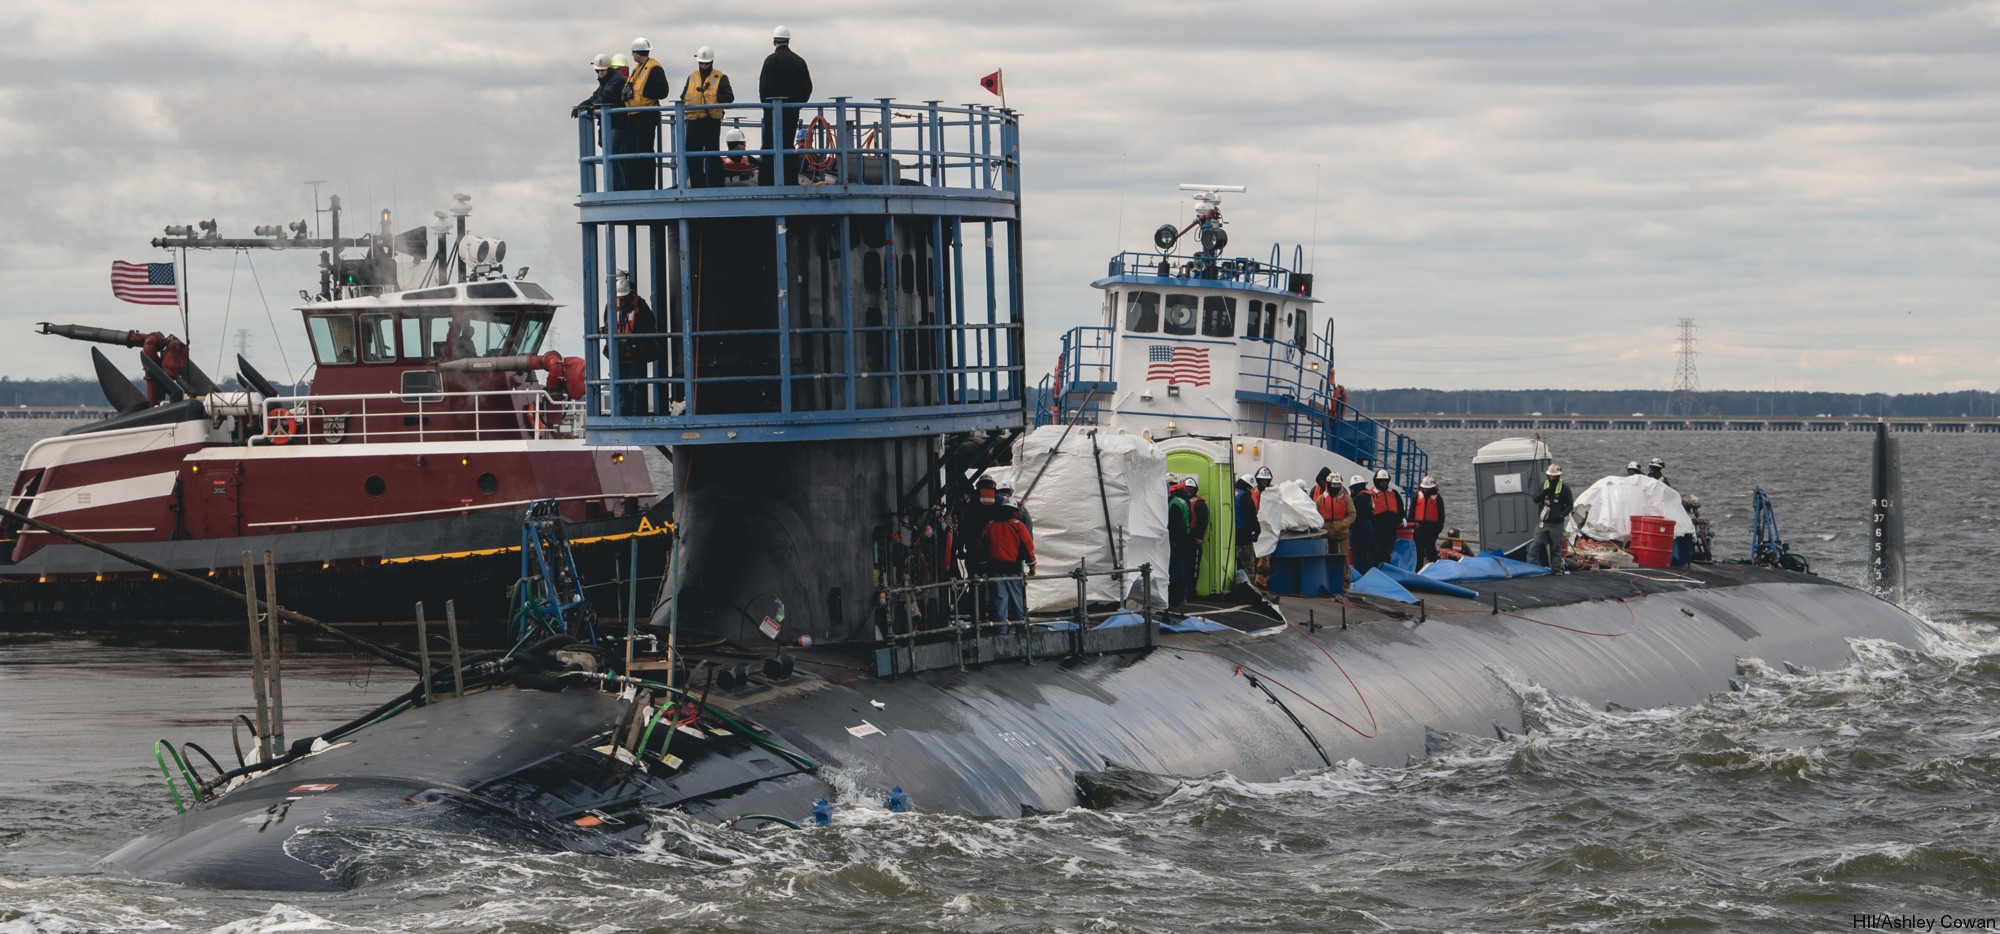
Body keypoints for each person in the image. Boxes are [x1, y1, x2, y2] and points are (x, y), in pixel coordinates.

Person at [758, 25, 812, 186]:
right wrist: (797, 105)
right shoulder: (799, 61)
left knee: (769, 146)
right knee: (788, 145)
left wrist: (767, 107)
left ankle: (766, 182)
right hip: (791, 111)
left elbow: (763, 88)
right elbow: (808, 87)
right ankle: (790, 181)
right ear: (788, 41)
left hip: (772, 111)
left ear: (774, 41)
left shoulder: (769, 61)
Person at [680, 46, 735, 188]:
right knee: (692, 156)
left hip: (711, 121)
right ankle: (698, 185)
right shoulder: (692, 78)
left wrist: (714, 98)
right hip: (693, 121)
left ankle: (715, 185)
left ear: (712, 62)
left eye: (707, 63)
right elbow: (683, 96)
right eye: (701, 63)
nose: (704, 66)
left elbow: (729, 97)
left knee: (712, 155)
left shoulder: (720, 77)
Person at [606, 272, 660, 415]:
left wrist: (636, 348)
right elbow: (608, 325)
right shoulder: (611, 306)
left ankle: (637, 413)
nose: (622, 301)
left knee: (637, 386)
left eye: (624, 298)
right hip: (619, 354)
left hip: (637, 355)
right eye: (620, 298)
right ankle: (621, 413)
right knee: (620, 386)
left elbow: (649, 328)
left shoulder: (640, 306)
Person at [620, 38, 670, 191]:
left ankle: (647, 186)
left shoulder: (654, 68)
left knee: (644, 151)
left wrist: (647, 93)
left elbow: (663, 91)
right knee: (632, 152)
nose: (632, 55)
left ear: (638, 52)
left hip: (646, 115)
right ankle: (634, 186)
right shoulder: (638, 68)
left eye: (633, 52)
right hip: (633, 115)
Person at [574, 54, 630, 186]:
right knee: (613, 156)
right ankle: (619, 187)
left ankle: (621, 188)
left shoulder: (616, 80)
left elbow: (606, 97)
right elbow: (596, 97)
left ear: (608, 69)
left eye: (601, 70)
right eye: (597, 70)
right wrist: (581, 106)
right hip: (612, 123)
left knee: (612, 156)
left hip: (618, 123)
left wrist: (592, 107)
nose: (599, 73)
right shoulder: (607, 81)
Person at [977, 498, 1034, 624]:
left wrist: (982, 564)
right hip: (1013, 569)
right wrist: (1032, 564)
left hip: (995, 570)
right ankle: (1021, 628)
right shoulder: (1018, 526)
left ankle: (1001, 630)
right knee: (1017, 599)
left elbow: (981, 546)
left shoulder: (990, 526)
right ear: (1015, 511)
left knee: (999, 600)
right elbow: (1028, 545)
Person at [1313, 468, 1356, 583]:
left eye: (1338, 484)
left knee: (1343, 560)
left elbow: (1352, 515)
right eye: (1334, 484)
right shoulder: (1320, 499)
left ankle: (1343, 585)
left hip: (1341, 535)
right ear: (1329, 484)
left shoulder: (1346, 498)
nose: (1336, 486)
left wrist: (1342, 524)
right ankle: (1328, 583)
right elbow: (1315, 515)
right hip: (1325, 535)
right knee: (1327, 560)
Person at [1529, 464, 1574, 571]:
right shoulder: (1543, 485)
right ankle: (1531, 566)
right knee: (1536, 544)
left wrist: (1561, 515)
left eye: (1554, 476)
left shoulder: (1565, 488)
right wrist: (1544, 492)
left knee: (1556, 547)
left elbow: (1570, 505)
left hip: (1557, 524)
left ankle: (1556, 569)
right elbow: (1535, 499)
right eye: (1550, 476)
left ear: (1558, 476)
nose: (1552, 478)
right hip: (1543, 523)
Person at [1369, 468, 1404, 571]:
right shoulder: (1370, 494)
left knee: (1386, 554)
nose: (1383, 483)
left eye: (1385, 481)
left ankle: (1386, 574)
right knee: (1374, 554)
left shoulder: (1394, 494)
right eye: (1381, 481)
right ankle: (1374, 574)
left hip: (1391, 531)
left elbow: (1400, 510)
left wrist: (1396, 523)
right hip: (1376, 531)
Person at [1168, 478, 1195, 609]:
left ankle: (1174, 598)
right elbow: (1188, 519)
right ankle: (1182, 596)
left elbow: (1174, 524)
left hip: (1177, 540)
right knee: (1181, 567)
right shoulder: (1184, 502)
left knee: (1175, 569)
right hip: (1185, 537)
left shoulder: (1174, 504)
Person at [1409, 475, 1446, 568]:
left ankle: (1434, 569)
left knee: (1431, 549)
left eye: (1428, 489)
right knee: (1418, 551)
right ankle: (1417, 570)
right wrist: (1413, 525)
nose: (1426, 490)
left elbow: (1441, 516)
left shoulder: (1438, 498)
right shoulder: (1416, 497)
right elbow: (1411, 512)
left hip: (1431, 529)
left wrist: (1437, 529)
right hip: (1418, 529)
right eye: (1425, 489)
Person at [1184, 476, 1210, 593]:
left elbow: (1203, 521)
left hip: (1194, 536)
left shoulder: (1200, 504)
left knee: (1193, 564)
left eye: (1191, 489)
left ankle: (1191, 589)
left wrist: (1200, 536)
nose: (1188, 491)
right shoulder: (1182, 501)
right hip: (1184, 535)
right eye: (1186, 489)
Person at [1232, 474, 1259, 586]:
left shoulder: (1232, 493)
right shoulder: (1245, 497)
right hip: (1244, 537)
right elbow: (1251, 516)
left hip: (1232, 536)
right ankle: (1249, 589)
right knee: (1248, 566)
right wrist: (1256, 530)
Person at [1347, 474, 1375, 572]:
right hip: (1366, 526)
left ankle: (1360, 574)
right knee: (1364, 554)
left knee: (1359, 554)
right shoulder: (1367, 496)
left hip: (1358, 528)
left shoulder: (1359, 498)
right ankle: (1365, 573)